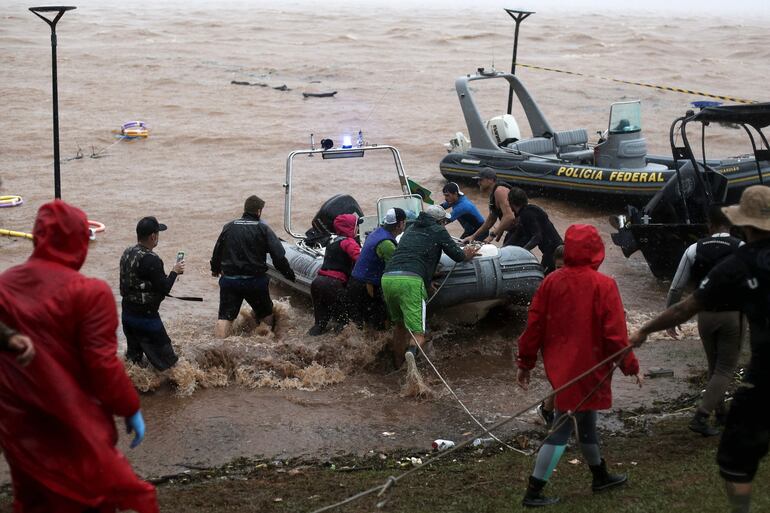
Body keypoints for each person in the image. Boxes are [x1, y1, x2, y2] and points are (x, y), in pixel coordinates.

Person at [0, 200, 158, 513]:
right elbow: (103, 365)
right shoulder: (90, 293)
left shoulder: (5, 285)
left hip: (19, 426)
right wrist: (129, 407)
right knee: (93, 499)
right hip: (72, 422)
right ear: (79, 240)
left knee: (33, 502)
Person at [630, 185, 770, 513]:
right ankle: (714, 410)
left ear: (745, 224)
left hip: (750, 359)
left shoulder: (736, 262)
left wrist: (644, 330)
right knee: (723, 368)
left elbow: (681, 301)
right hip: (736, 325)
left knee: (735, 459)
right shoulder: (737, 252)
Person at [517, 224, 641, 507]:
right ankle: (533, 492)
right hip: (589, 367)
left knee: (586, 422)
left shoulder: (550, 282)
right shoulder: (604, 285)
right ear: (596, 250)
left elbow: (534, 325)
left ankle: (600, 475)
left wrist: (525, 362)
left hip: (562, 367)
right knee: (562, 429)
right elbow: (616, 335)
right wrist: (630, 366)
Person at [665, 205, 744, 436]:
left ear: (710, 225)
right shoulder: (740, 248)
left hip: (705, 316)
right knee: (726, 368)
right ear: (730, 224)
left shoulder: (693, 249)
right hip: (731, 315)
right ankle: (701, 416)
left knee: (715, 366)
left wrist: (671, 318)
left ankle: (720, 414)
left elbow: (676, 287)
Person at [382, 205, 478, 366]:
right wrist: (467, 254)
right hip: (410, 282)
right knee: (419, 333)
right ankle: (411, 355)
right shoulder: (438, 230)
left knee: (399, 326)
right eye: (444, 222)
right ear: (440, 221)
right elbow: (458, 255)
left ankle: (398, 365)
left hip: (388, 278)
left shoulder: (410, 228)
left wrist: (427, 281)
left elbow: (415, 254)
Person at [211, 195, 296, 338]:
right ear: (258, 211)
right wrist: (288, 274)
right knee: (266, 313)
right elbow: (278, 256)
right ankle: (266, 343)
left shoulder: (229, 227)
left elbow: (217, 251)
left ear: (245, 209)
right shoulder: (263, 228)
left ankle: (217, 345)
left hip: (230, 281)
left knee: (225, 317)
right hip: (254, 281)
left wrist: (214, 269)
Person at [120, 215, 184, 370]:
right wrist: (175, 271)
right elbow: (164, 288)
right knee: (172, 366)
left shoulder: (127, 253)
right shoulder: (152, 260)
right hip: (146, 318)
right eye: (158, 234)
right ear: (153, 237)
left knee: (134, 363)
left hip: (127, 315)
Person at [348, 208, 407, 330]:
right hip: (367, 286)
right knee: (380, 322)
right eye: (404, 222)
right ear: (400, 224)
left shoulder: (376, 232)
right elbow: (397, 268)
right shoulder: (386, 244)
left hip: (356, 281)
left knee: (362, 325)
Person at [308, 213, 361, 336]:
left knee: (319, 324)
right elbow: (359, 259)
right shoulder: (349, 242)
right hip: (333, 285)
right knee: (344, 321)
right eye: (356, 226)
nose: (357, 229)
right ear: (350, 228)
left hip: (317, 282)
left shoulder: (331, 243)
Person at [535, 244, 565, 427]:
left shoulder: (581, 282)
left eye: (566, 267)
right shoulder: (550, 283)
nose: (562, 272)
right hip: (554, 340)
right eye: (558, 267)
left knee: (566, 379)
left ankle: (547, 409)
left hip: (570, 338)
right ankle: (548, 410)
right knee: (563, 379)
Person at [506, 187, 563, 274]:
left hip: (552, 253)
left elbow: (537, 237)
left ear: (511, 203)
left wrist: (522, 252)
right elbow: (517, 234)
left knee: (543, 277)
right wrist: (503, 249)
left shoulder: (526, 215)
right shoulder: (529, 210)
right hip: (557, 250)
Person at [462, 168, 515, 245]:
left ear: (491, 180)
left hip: (524, 229)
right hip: (513, 232)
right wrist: (473, 237)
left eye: (480, 180)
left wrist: (491, 236)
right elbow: (490, 221)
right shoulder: (493, 195)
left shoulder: (500, 191)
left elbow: (509, 216)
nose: (478, 183)